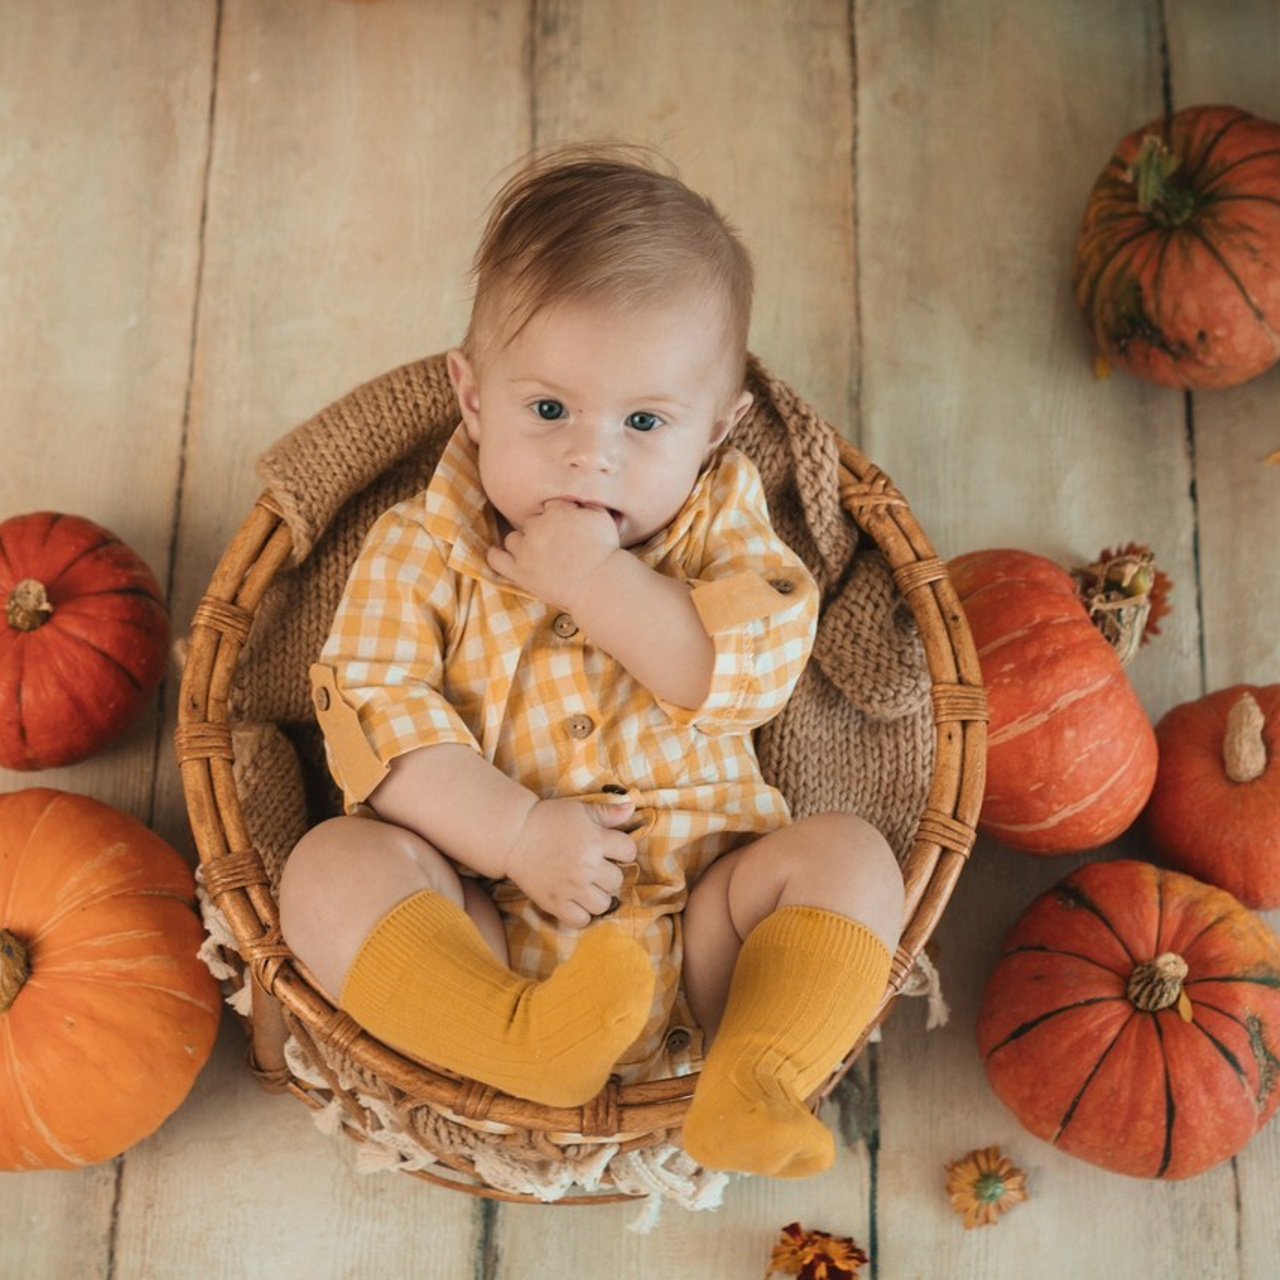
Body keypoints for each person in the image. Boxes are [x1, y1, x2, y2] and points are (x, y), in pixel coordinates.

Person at [278, 147, 904, 1179]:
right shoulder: (423, 542)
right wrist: (517, 832)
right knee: (326, 871)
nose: (590, 454)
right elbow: (374, 713)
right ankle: (513, 1039)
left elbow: (750, 666)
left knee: (853, 857)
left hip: (715, 927)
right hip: (485, 920)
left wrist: (598, 582)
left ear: (717, 432)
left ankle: (755, 1071)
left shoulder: (721, 524)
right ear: (471, 397)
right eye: (548, 409)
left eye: (644, 422)